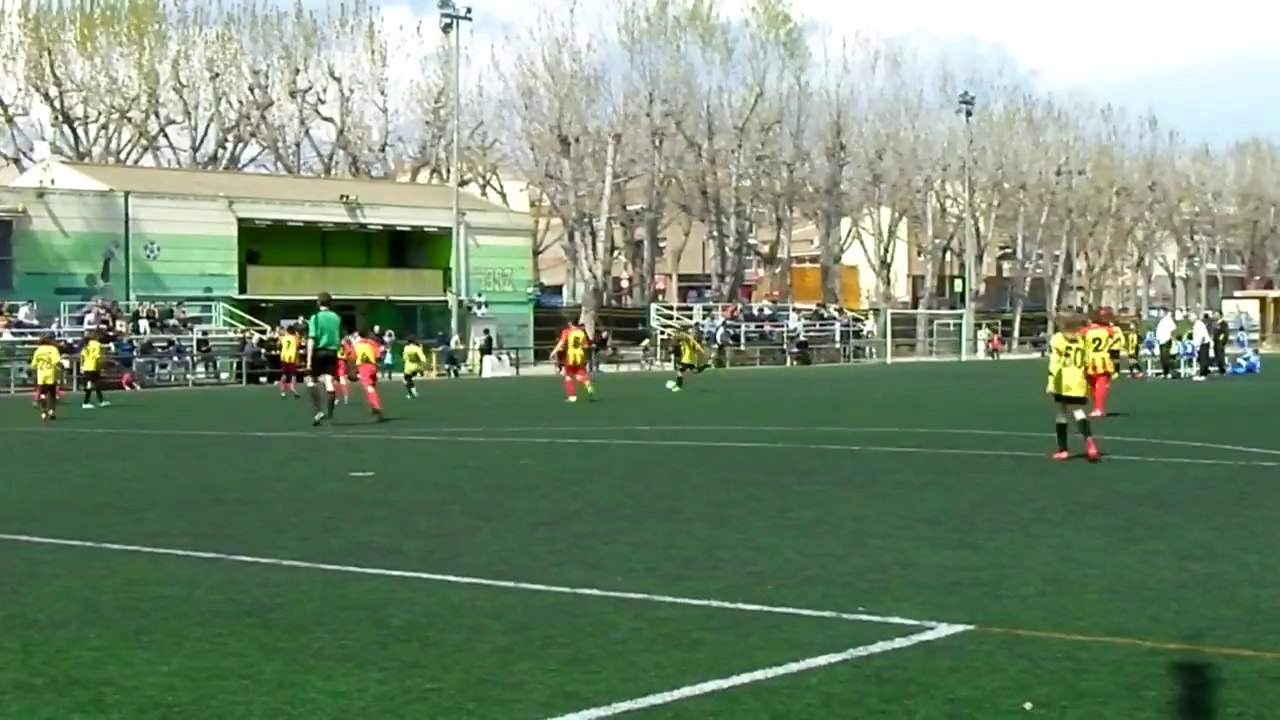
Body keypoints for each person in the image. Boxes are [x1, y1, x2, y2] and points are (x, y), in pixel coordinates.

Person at [1046, 315, 1100, 462]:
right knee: (1078, 411)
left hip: (1062, 380)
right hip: (1078, 380)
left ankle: (1063, 450)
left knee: (1061, 412)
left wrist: (1051, 381)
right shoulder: (1083, 339)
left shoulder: (1058, 339)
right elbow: (1088, 360)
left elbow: (1055, 362)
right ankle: (1090, 443)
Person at [305, 292, 343, 426]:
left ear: (318, 303)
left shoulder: (315, 318)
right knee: (329, 381)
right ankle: (330, 413)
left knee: (311, 381)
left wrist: (309, 360)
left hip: (319, 351)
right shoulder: (336, 318)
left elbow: (312, 339)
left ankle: (319, 410)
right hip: (332, 352)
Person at [1082, 312, 1118, 418]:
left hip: (1090, 359)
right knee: (1099, 383)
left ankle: (1098, 407)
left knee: (1093, 385)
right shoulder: (1107, 330)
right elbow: (1115, 336)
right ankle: (1099, 407)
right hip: (1103, 358)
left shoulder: (1085, 331)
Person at [550, 320, 595, 402]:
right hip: (580, 356)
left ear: (570, 324)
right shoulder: (581, 333)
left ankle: (572, 397)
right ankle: (586, 382)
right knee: (579, 373)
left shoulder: (567, 331)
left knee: (567, 376)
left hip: (570, 356)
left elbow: (561, 343)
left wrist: (553, 352)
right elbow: (585, 346)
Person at [353, 330, 385, 421]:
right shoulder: (372, 344)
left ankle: (377, 406)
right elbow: (378, 356)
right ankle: (373, 407)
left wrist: (353, 370)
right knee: (372, 386)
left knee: (369, 387)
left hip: (363, 367)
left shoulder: (356, 345)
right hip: (373, 367)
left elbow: (353, 356)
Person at [30, 333, 62, 421]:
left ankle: (44, 412)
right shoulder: (53, 349)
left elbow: (33, 364)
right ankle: (51, 410)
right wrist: (62, 367)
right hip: (51, 373)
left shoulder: (38, 350)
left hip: (41, 375)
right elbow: (56, 361)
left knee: (43, 393)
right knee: (52, 393)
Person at [666, 326, 708, 393]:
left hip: (686, 359)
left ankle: (679, 387)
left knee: (679, 372)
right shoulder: (691, 340)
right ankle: (706, 366)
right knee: (695, 371)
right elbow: (697, 348)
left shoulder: (688, 338)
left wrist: (678, 336)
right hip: (689, 359)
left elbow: (684, 338)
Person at [80, 330, 109, 409]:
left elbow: (82, 356)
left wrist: (81, 366)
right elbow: (98, 357)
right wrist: (102, 365)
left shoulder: (86, 345)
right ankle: (89, 402)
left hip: (86, 367)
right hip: (93, 367)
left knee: (92, 384)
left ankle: (98, 401)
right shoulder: (96, 344)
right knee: (96, 384)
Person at [278, 327, 301, 398]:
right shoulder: (295, 338)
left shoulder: (283, 338)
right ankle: (292, 387)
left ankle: (282, 392)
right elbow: (298, 346)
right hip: (292, 358)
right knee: (293, 374)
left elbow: (279, 345)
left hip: (284, 357)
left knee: (284, 374)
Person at [1191, 312, 1212, 381]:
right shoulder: (1197, 324)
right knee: (1202, 359)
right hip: (1202, 343)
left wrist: (1198, 346)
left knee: (1203, 359)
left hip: (1203, 343)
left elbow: (1201, 336)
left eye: (1191, 318)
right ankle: (1204, 373)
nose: (1190, 319)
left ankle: (1202, 374)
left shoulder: (1198, 325)